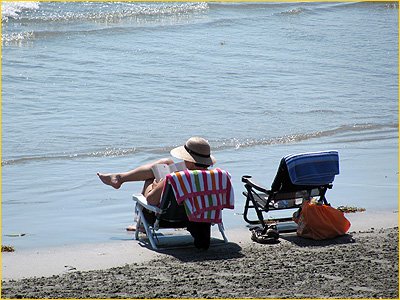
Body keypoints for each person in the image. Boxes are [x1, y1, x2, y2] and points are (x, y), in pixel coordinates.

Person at [97, 136, 217, 249]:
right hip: (197, 217)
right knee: (167, 162)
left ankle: (121, 181)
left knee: (153, 175)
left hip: (167, 219)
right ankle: (119, 178)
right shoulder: (214, 178)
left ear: (190, 161)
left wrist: (156, 184)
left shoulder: (175, 178)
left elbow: (151, 200)